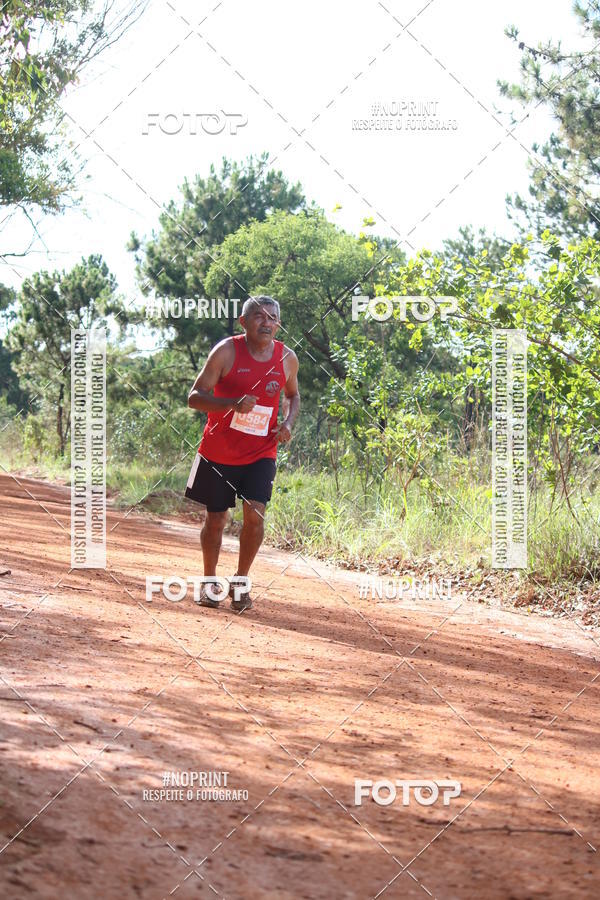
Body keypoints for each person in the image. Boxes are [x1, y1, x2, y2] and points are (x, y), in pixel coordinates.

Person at [186, 295, 300, 611]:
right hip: (219, 449)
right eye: (260, 316)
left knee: (255, 512)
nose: (267, 322)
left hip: (262, 451)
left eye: (273, 317)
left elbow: (293, 395)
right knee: (217, 518)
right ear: (244, 322)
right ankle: (209, 584)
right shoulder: (225, 351)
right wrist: (231, 404)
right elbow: (194, 397)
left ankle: (240, 584)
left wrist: (288, 422)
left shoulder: (287, 358)